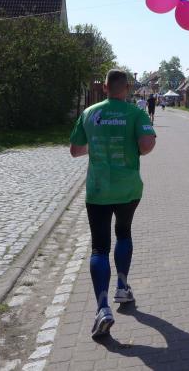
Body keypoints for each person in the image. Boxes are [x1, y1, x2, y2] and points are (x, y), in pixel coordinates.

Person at [69, 69, 156, 338]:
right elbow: (146, 146)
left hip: (98, 190)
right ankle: (122, 287)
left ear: (105, 87)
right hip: (128, 188)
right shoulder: (136, 113)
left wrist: (97, 145)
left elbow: (75, 150)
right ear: (127, 88)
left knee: (99, 247)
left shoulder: (89, 113)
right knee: (124, 233)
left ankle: (102, 308)